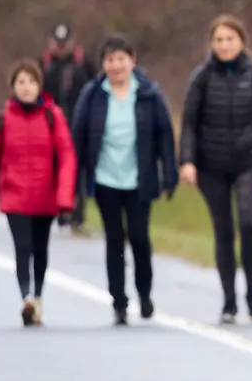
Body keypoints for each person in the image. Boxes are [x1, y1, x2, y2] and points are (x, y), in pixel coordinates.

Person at [179, 14, 252, 324]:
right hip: (211, 165)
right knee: (223, 229)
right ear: (211, 44)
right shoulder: (201, 78)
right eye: (219, 40)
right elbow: (189, 123)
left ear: (241, 42)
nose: (224, 45)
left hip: (249, 161)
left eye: (230, 39)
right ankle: (229, 300)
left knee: (249, 221)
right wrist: (187, 161)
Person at [71, 35, 178, 326]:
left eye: (121, 59)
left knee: (140, 238)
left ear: (132, 61)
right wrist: (73, 183)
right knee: (115, 240)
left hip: (139, 178)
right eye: (110, 60)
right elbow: (78, 139)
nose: (116, 65)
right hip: (106, 178)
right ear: (103, 64)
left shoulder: (149, 95)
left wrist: (170, 173)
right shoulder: (93, 95)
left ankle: (144, 294)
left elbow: (164, 136)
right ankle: (119, 301)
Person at [0, 59, 78, 326]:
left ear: (39, 86)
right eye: (20, 82)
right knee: (22, 248)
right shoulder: (1, 119)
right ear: (13, 87)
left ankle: (38, 296)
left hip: (44, 197)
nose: (26, 88)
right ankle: (26, 298)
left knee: (40, 249)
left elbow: (67, 155)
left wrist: (64, 197)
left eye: (31, 82)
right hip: (15, 198)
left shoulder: (52, 116)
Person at [40, 21, 96, 230]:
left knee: (78, 168)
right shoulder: (44, 65)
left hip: (79, 125)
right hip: (51, 126)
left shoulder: (83, 64)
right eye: (58, 43)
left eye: (65, 43)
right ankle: (59, 208)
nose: (61, 48)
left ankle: (78, 211)